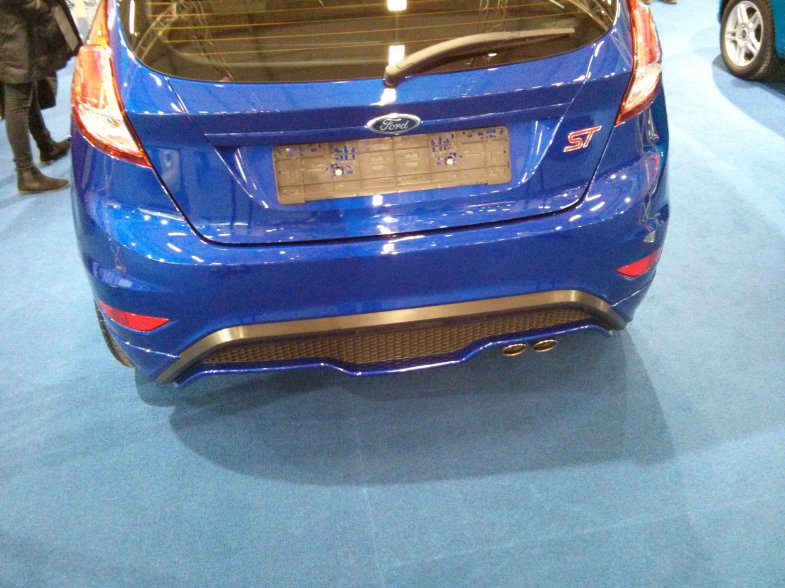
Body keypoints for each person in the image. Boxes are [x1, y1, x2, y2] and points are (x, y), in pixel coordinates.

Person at [1, 0, 73, 194]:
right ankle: (26, 173)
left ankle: (46, 146)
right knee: (17, 97)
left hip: (15, 26)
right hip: (12, 28)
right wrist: (39, 7)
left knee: (26, 85)